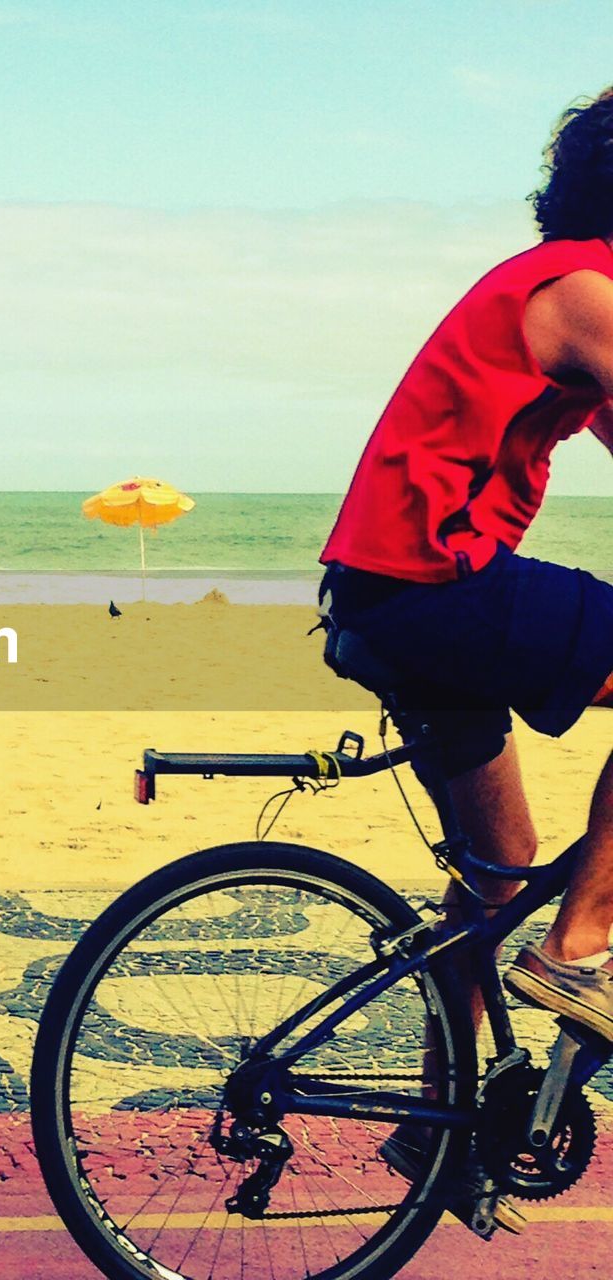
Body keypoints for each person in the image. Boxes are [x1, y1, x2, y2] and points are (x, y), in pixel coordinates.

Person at [319, 87, 613, 1227]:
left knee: (492, 870)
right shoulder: (583, 291)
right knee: (534, 898)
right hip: (429, 588)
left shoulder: (551, 293)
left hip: (384, 596)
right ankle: (579, 943)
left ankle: (435, 1129)